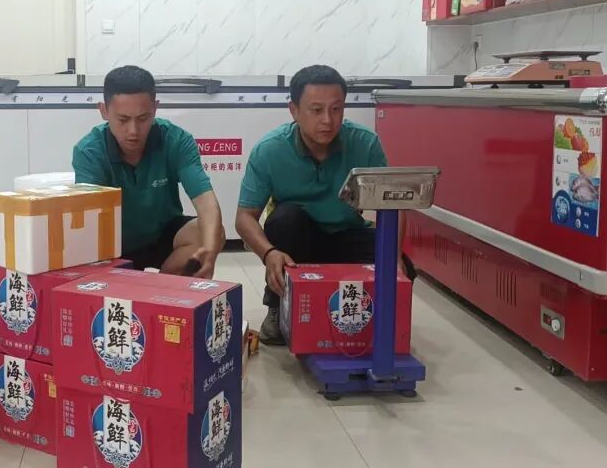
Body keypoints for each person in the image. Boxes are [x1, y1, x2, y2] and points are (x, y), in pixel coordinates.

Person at [235, 65, 389, 345]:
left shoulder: (365, 143)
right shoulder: (270, 150)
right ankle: (279, 306)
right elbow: (245, 217)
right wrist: (268, 253)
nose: (327, 120)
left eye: (336, 109)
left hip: (347, 234)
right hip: (299, 243)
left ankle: (372, 314)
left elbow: (390, 207)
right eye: (316, 110)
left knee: (394, 259)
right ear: (294, 110)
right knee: (284, 220)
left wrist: (395, 258)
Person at [73, 65, 226, 278]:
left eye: (143, 118)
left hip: (163, 235)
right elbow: (88, 224)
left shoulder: (176, 140)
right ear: (104, 111)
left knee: (211, 233)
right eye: (123, 120)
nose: (133, 131)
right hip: (115, 244)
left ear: (155, 108)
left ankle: (166, 288)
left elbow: (206, 202)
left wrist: (210, 251)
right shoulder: (90, 152)